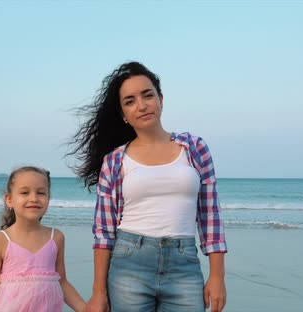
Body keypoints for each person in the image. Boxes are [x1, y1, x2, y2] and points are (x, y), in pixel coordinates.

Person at [67, 61, 228, 312]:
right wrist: (98, 292)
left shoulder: (194, 148)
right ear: (123, 115)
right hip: (128, 266)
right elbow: (103, 231)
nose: (141, 105)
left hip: (184, 266)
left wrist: (218, 276)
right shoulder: (115, 161)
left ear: (161, 99)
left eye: (147, 95)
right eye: (130, 101)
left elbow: (210, 216)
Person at [0, 166, 86, 312]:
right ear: (9, 200)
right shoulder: (1, 241)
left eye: (41, 193)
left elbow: (62, 283)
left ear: (48, 198)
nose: (34, 198)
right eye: (24, 192)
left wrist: (85, 308)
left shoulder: (56, 238)